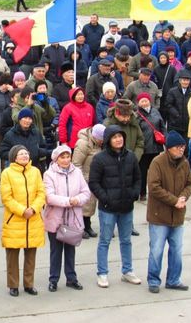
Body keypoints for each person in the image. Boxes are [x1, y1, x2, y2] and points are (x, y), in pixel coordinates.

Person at [89, 125, 142, 288]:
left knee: (126, 240)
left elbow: (138, 179)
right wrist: (106, 198)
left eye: (121, 136)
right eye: (115, 137)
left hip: (127, 207)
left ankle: (127, 271)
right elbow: (94, 183)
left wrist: (133, 194)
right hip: (108, 208)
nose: (119, 139)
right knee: (104, 241)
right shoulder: (99, 159)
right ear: (108, 140)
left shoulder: (131, 157)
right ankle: (102, 273)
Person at [147, 131, 191, 293]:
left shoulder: (185, 163)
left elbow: (190, 183)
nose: (181, 150)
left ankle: (174, 280)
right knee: (156, 250)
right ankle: (153, 280)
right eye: (178, 147)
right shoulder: (157, 162)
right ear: (169, 148)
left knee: (176, 250)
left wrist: (183, 196)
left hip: (178, 216)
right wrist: (175, 201)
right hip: (159, 215)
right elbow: (153, 187)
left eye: (183, 146)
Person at [43, 145, 90, 292]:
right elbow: (49, 197)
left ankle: (71, 278)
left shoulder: (77, 172)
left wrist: (78, 199)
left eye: (67, 156)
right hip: (56, 219)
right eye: (62, 157)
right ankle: (53, 279)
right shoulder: (49, 174)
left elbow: (86, 192)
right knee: (55, 251)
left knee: (70, 250)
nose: (65, 160)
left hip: (73, 219)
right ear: (56, 159)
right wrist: (68, 201)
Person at [0, 145, 45, 297]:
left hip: (33, 219)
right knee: (12, 256)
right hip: (15, 220)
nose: (25, 155)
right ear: (14, 157)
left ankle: (29, 284)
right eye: (21, 154)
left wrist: (33, 209)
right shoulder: (7, 173)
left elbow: (41, 193)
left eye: (26, 153)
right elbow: (6, 197)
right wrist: (21, 210)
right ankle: (13, 285)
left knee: (31, 255)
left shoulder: (36, 171)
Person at [72, 124, 106, 239]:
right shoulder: (83, 144)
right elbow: (76, 163)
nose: (103, 142)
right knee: (84, 204)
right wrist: (82, 180)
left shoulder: (98, 144)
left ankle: (87, 225)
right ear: (95, 137)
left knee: (90, 204)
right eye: (101, 139)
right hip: (84, 177)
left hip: (94, 178)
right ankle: (81, 227)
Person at [136, 92, 165, 201]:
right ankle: (142, 193)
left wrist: (165, 138)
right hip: (144, 148)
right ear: (138, 103)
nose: (144, 103)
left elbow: (162, 126)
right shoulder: (137, 115)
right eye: (142, 101)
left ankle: (155, 192)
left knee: (155, 172)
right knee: (142, 172)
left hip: (156, 147)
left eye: (146, 100)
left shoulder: (155, 112)